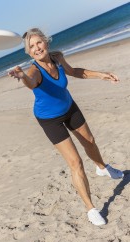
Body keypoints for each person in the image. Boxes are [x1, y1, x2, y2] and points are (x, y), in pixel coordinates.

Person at [8, 28, 124, 226]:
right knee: (75, 162)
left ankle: (102, 168)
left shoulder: (58, 57)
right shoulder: (34, 71)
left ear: (46, 42)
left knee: (90, 142)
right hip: (49, 119)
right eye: (32, 46)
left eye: (39, 43)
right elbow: (32, 83)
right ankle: (91, 209)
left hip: (69, 107)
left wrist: (101, 75)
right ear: (28, 52)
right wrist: (22, 76)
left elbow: (74, 72)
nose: (37, 48)